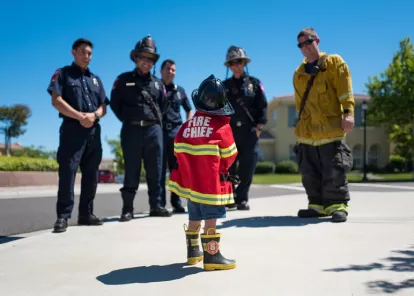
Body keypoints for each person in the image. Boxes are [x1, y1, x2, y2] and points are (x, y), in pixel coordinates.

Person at [168, 74, 239, 271]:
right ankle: (212, 256)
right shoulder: (221, 127)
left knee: (193, 218)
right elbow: (230, 155)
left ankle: (193, 254)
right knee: (211, 220)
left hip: (192, 188)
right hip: (211, 187)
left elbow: (177, 151)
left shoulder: (186, 126)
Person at [292, 27, 354, 223]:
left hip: (330, 130)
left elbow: (345, 91)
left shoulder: (334, 63)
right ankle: (317, 205)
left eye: (308, 42)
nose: (305, 47)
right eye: (301, 45)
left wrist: (348, 113)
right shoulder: (298, 74)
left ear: (317, 40)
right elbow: (298, 104)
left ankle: (337, 205)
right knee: (309, 172)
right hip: (307, 134)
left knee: (334, 169)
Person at [47, 38, 109, 233]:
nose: (86, 56)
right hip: (72, 129)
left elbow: (103, 106)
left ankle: (86, 214)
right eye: (83, 52)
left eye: (89, 53)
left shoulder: (96, 79)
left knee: (91, 175)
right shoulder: (63, 74)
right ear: (73, 52)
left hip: (93, 131)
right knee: (68, 172)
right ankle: (63, 217)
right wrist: (80, 116)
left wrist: (94, 115)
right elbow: (56, 100)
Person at [110, 35, 172, 221]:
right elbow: (115, 104)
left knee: (156, 170)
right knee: (132, 169)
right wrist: (131, 119)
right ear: (136, 58)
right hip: (132, 130)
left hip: (154, 131)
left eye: (150, 58)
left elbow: (164, 105)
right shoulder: (122, 80)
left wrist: (151, 120)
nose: (146, 61)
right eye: (143, 57)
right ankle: (127, 208)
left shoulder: (158, 83)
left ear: (154, 62)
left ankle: (156, 205)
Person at [223, 45, 268, 211]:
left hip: (249, 131)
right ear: (229, 66)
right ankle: (230, 197)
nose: (236, 66)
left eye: (239, 62)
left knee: (247, 167)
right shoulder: (224, 86)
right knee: (229, 167)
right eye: (232, 63)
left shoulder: (255, 84)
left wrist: (260, 126)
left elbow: (262, 105)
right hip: (230, 132)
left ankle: (242, 198)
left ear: (244, 63)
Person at [159, 59, 193, 213]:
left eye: (173, 69)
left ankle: (176, 202)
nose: (171, 72)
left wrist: (187, 127)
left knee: (176, 170)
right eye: (168, 69)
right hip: (158, 132)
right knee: (158, 169)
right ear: (161, 70)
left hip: (176, 132)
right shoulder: (156, 86)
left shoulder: (180, 90)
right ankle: (159, 204)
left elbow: (188, 109)